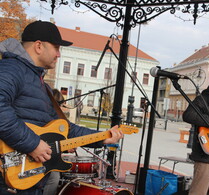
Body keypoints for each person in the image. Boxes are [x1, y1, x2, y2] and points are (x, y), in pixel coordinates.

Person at [0, 20, 123, 195]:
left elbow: (64, 128)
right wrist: (33, 144)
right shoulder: (12, 69)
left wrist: (103, 137)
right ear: (39, 46)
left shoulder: (40, 83)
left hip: (27, 178)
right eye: (56, 48)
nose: (58, 54)